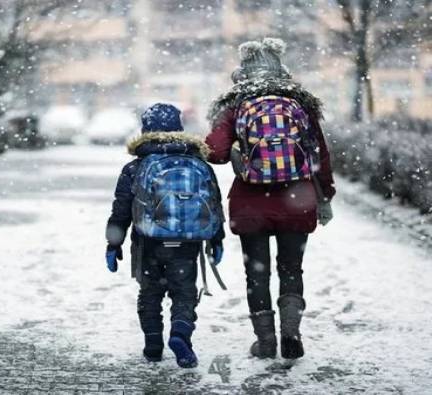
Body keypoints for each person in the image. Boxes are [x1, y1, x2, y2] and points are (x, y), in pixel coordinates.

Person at [205, 38, 336, 360]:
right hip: (297, 198)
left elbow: (215, 152)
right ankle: (291, 333)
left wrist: (237, 152)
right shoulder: (300, 104)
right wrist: (325, 195)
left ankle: (265, 341)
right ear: (282, 70)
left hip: (251, 203)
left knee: (257, 272)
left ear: (242, 73)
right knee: (291, 268)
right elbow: (319, 155)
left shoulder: (235, 105)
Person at [105, 103, 225, 368]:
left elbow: (121, 209)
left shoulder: (135, 167)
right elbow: (214, 203)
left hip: (148, 243)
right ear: (179, 129)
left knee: (150, 294)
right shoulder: (197, 161)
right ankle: (180, 335)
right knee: (183, 293)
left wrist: (113, 244)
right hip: (187, 243)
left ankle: (153, 345)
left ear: (146, 129)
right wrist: (217, 238)